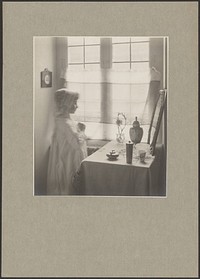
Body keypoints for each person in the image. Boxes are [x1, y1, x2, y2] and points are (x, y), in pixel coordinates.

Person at [47, 88, 87, 195]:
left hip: (69, 159)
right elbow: (77, 144)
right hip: (66, 163)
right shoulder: (64, 123)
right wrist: (82, 131)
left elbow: (73, 138)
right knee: (68, 189)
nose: (76, 105)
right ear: (66, 104)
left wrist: (78, 129)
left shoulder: (65, 120)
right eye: (74, 102)